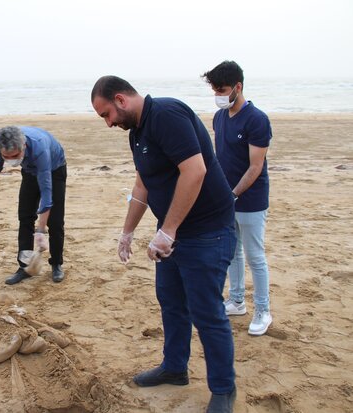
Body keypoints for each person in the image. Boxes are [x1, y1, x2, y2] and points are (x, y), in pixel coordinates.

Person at [91, 75, 237, 413]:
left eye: (106, 115)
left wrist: (168, 231)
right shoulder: (138, 132)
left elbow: (195, 171)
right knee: (171, 302)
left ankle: (223, 389)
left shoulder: (167, 115)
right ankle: (175, 368)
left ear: (121, 100)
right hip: (172, 233)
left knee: (207, 312)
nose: (108, 123)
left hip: (207, 231)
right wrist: (127, 231)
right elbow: (143, 185)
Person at [202, 61, 273, 336]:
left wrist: (233, 194)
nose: (218, 94)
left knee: (255, 256)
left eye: (222, 89)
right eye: (214, 90)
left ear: (238, 87)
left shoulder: (257, 119)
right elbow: (220, 159)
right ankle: (237, 300)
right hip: (226, 199)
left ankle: (263, 310)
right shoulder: (219, 118)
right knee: (231, 252)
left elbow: (255, 166)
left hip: (251, 200)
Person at [0, 126, 67, 284]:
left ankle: (56, 264)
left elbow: (47, 193)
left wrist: (41, 231)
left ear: (24, 147)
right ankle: (24, 267)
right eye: (6, 157)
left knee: (55, 221)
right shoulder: (2, 146)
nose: (10, 160)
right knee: (25, 217)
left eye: (14, 156)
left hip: (54, 169)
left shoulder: (40, 149)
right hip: (29, 170)